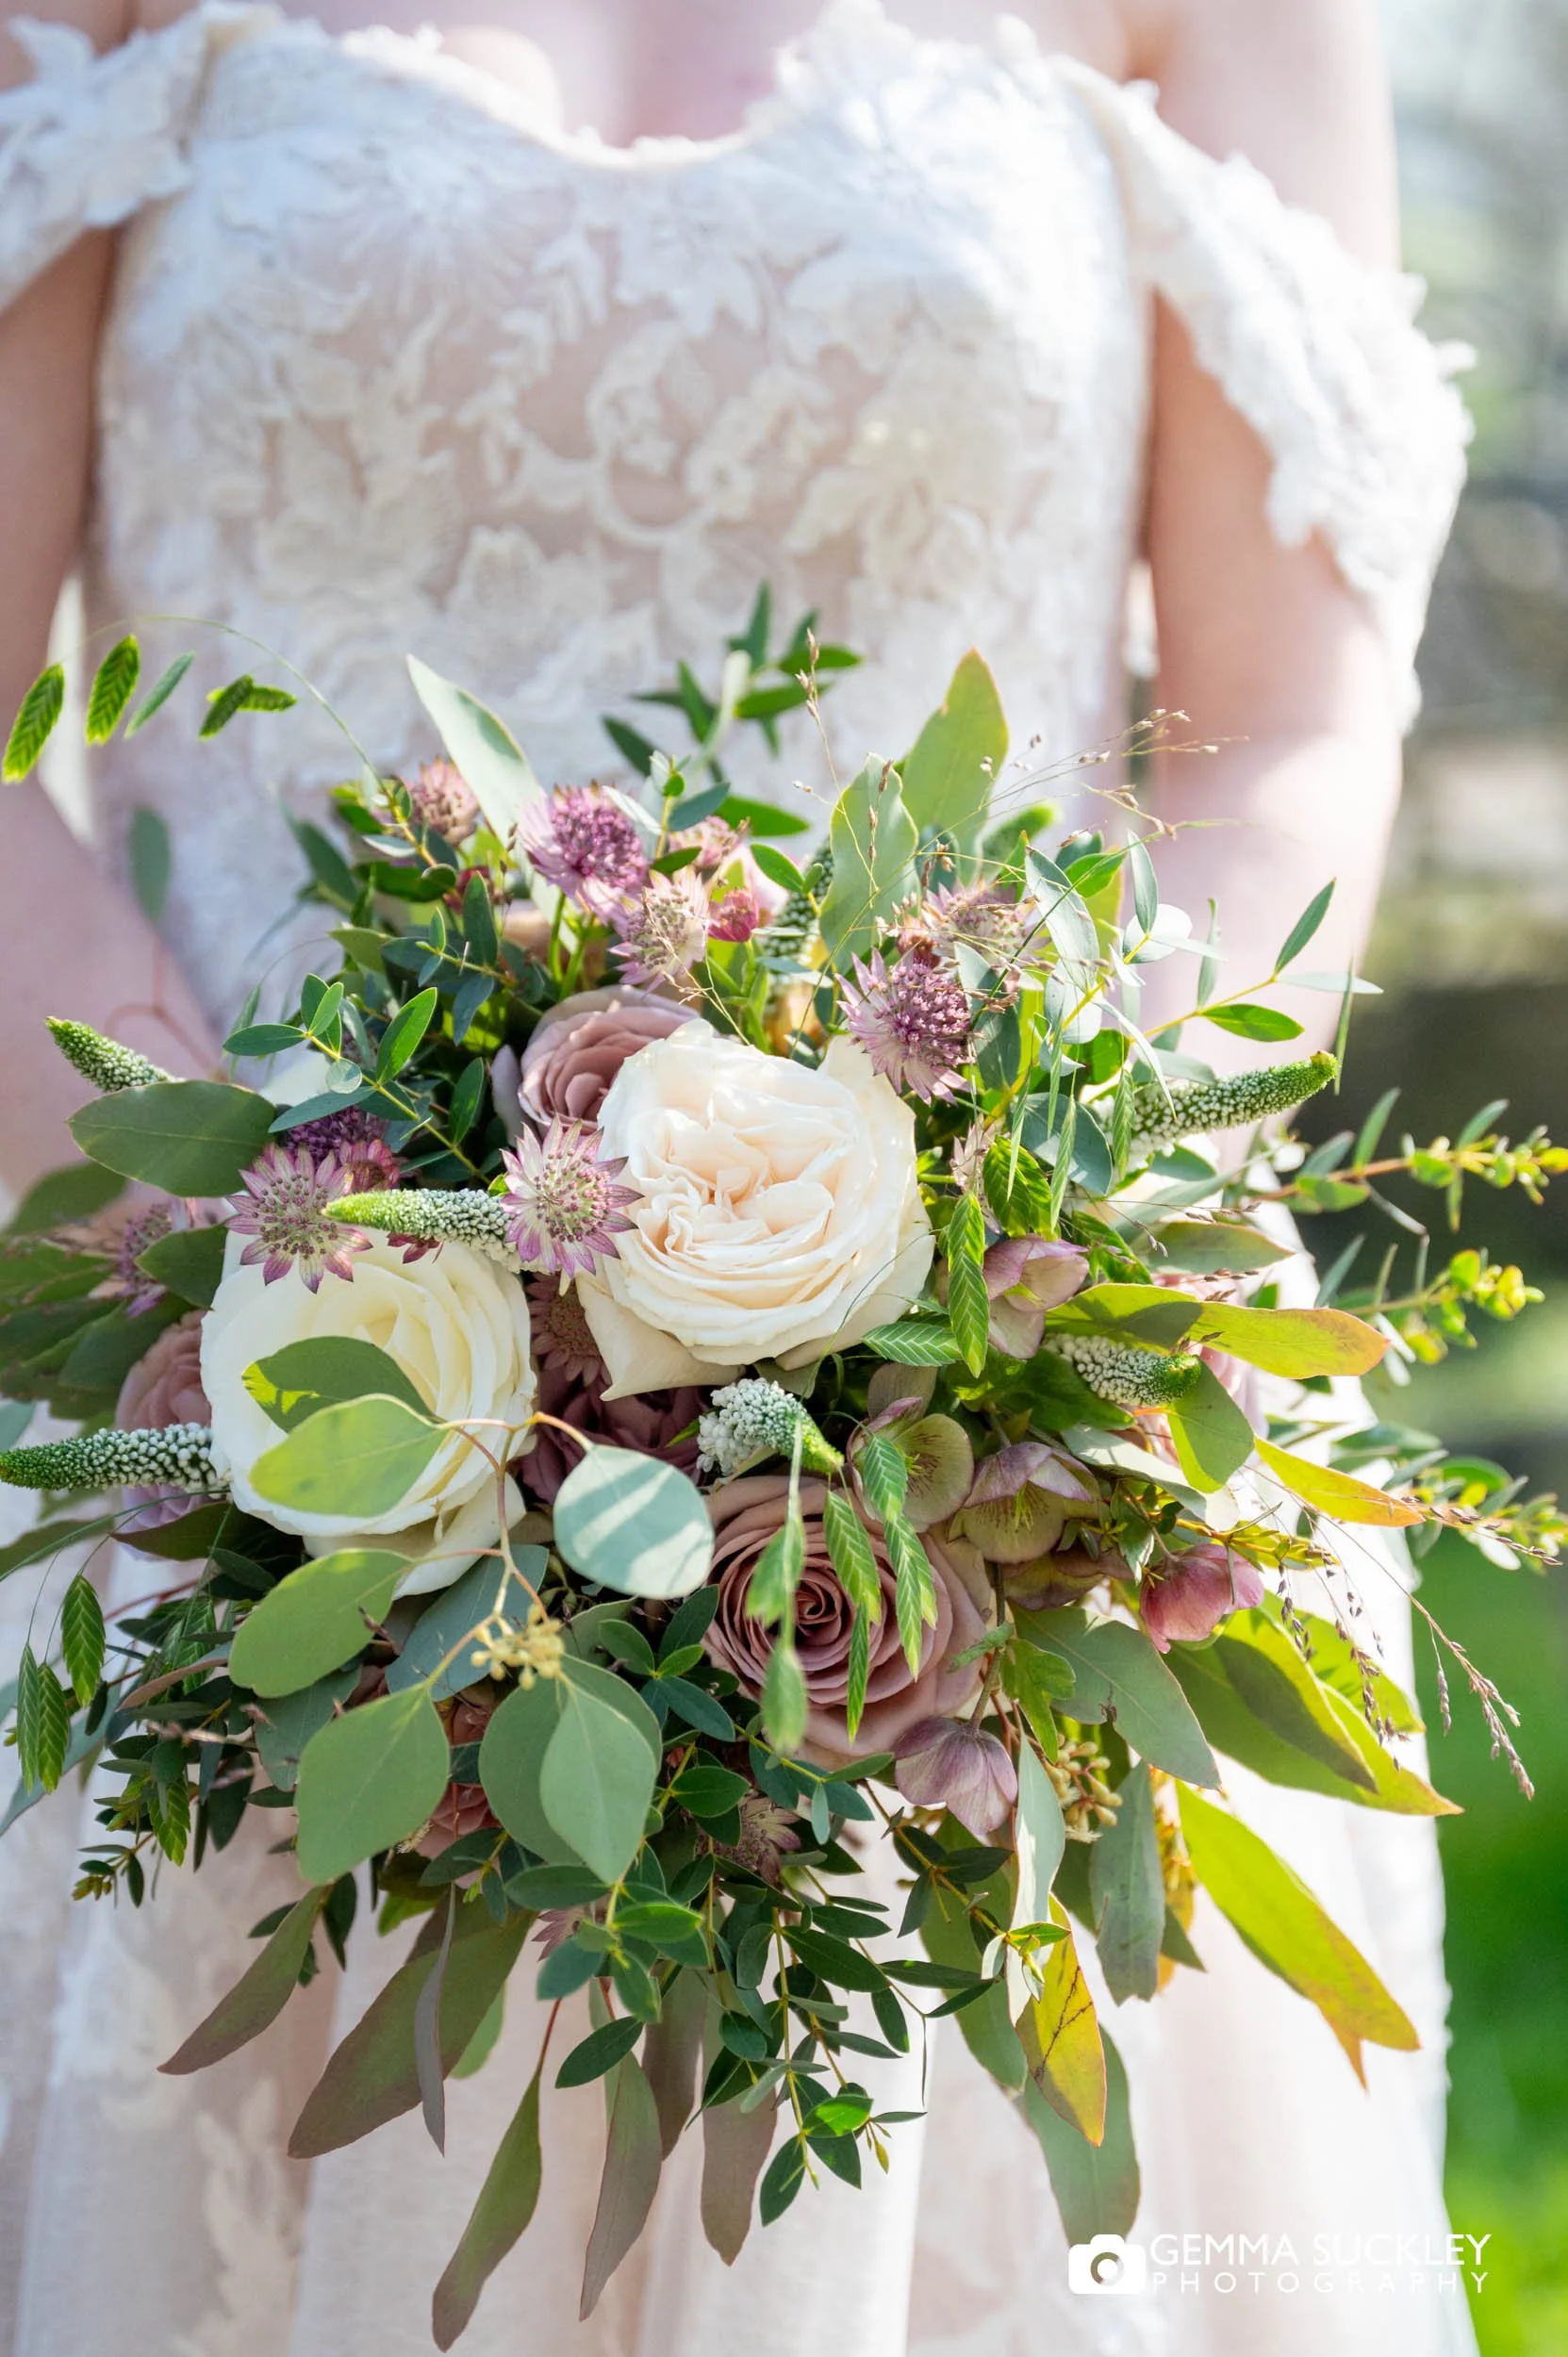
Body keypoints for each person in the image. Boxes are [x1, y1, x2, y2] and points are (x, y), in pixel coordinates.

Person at [0, 3, 1475, 2352]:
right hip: (216, 1393)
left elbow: (1283, 717)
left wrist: (991, 1269)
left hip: (967, 1475)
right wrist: (314, 1297)